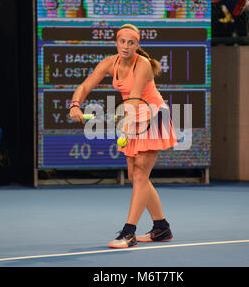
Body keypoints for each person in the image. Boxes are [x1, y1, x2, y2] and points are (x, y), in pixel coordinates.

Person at [69, 24, 177, 248]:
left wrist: (127, 127)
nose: (126, 46)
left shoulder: (143, 64)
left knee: (140, 175)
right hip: (133, 115)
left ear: (137, 45)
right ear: (116, 42)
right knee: (135, 175)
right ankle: (161, 227)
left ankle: (129, 233)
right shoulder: (110, 63)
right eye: (122, 42)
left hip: (153, 115)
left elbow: (136, 98)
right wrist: (75, 105)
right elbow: (85, 85)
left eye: (131, 42)